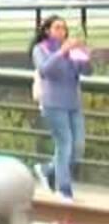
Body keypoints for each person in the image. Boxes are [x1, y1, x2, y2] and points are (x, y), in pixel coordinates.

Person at [32, 15, 90, 203]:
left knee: (78, 146)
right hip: (53, 104)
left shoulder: (71, 50)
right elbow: (45, 70)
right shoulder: (40, 49)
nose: (61, 32)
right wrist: (61, 52)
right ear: (48, 30)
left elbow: (87, 71)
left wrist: (84, 54)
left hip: (73, 104)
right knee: (64, 144)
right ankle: (64, 189)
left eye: (64, 28)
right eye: (57, 28)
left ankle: (48, 170)